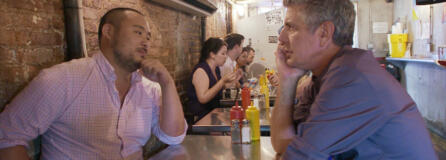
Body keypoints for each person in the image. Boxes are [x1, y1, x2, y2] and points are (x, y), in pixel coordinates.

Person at [0, 8, 187, 160]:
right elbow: (7, 136)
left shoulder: (150, 87)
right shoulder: (63, 79)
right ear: (108, 32)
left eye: (148, 36)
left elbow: (173, 137)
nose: (146, 42)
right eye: (138, 32)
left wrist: (167, 83)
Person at [270, 0, 437, 160]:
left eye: (291, 27)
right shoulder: (322, 78)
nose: (281, 38)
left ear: (324, 33)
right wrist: (287, 80)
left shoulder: (350, 78)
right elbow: (283, 144)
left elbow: (294, 156)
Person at [186, 38, 238, 120]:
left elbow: (219, 88)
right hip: (201, 116)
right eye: (223, 54)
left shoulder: (216, 69)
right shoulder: (201, 70)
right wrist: (222, 81)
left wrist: (235, 79)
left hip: (214, 113)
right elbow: (203, 98)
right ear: (212, 54)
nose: (225, 57)